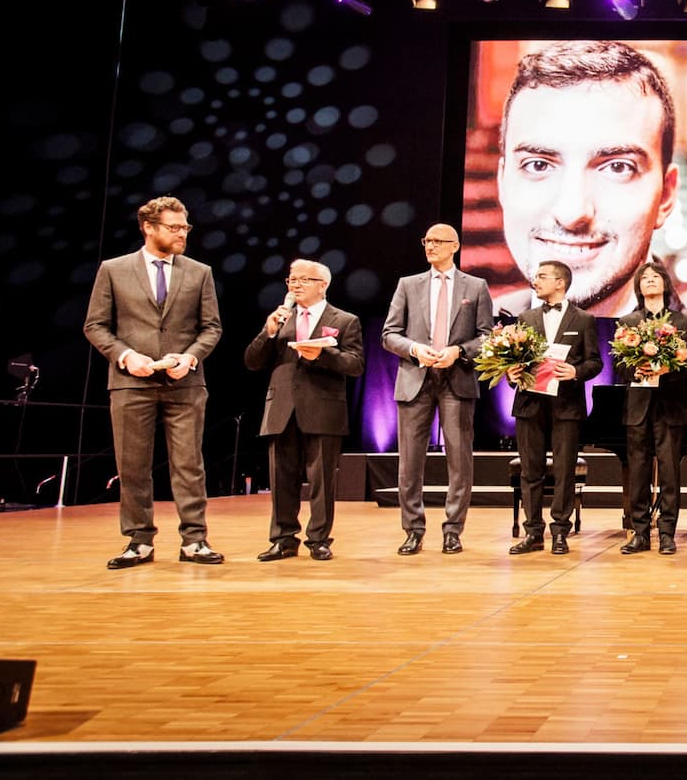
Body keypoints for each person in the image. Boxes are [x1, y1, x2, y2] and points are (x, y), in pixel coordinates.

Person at [84, 196, 225, 569]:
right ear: (148, 227)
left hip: (184, 383)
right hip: (131, 383)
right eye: (174, 227)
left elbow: (211, 327)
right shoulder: (114, 270)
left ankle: (195, 539)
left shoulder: (199, 272)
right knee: (132, 465)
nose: (182, 234)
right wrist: (127, 356)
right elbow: (95, 325)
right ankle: (138, 540)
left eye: (185, 227)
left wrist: (190, 357)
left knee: (189, 464)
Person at [495, 40, 681, 317]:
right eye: (537, 165)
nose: (572, 213)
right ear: (502, 183)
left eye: (618, 167)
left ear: (666, 196)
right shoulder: (463, 337)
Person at [381, 223, 494, 556]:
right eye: (426, 240)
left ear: (454, 245)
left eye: (437, 241)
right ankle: (413, 529)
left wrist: (458, 351)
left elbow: (486, 335)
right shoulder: (407, 285)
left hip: (456, 379)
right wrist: (416, 349)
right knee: (409, 462)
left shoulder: (476, 286)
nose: (430, 246)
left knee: (459, 460)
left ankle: (453, 529)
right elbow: (389, 334)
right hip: (416, 378)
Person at [243, 259, 365, 561]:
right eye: (291, 280)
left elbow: (355, 364)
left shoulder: (344, 320)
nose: (295, 285)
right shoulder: (281, 318)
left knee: (322, 480)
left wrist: (324, 355)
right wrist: (268, 332)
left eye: (303, 280)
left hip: (323, 407)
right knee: (281, 477)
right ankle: (283, 538)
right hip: (282, 408)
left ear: (322, 285)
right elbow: (252, 361)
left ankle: (319, 539)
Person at [505, 260, 601, 556]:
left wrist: (576, 373)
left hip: (566, 406)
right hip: (530, 404)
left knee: (564, 471)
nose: (537, 280)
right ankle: (533, 531)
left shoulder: (583, 319)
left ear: (561, 283)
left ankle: (560, 531)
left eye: (543, 276)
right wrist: (511, 374)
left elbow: (594, 362)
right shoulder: (525, 318)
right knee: (530, 472)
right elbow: (514, 361)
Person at [617, 261, 687, 555]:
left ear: (665, 284)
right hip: (637, 406)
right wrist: (635, 370)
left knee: (669, 473)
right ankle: (639, 533)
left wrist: (665, 370)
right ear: (638, 287)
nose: (650, 281)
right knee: (637, 472)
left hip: (670, 406)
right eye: (645, 278)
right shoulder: (627, 323)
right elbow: (618, 365)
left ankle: (667, 533)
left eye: (655, 277)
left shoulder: (681, 322)